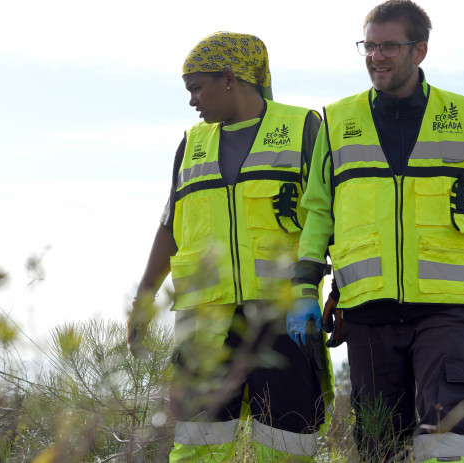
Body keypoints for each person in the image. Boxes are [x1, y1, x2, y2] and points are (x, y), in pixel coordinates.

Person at [292, 1, 464, 462]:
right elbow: (318, 213)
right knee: (379, 443)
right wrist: (306, 288)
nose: (376, 56)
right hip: (367, 311)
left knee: (446, 428)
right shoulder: (337, 121)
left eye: (388, 46)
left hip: (446, 310)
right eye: (369, 45)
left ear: (419, 50)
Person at [127, 31, 334, 462]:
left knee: (287, 447)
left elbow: (331, 220)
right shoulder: (191, 144)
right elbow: (171, 226)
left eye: (196, 88)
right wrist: (144, 298)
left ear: (228, 78)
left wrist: (341, 295)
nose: (191, 102)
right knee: (196, 450)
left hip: (284, 319)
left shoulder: (304, 129)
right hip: (205, 325)